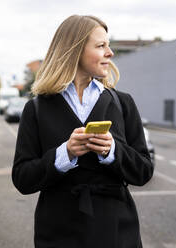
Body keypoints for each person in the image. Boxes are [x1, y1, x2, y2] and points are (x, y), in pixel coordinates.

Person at [12, 15, 154, 248]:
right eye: (101, 46)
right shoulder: (36, 108)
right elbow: (22, 179)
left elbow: (144, 171)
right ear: (75, 50)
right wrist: (64, 155)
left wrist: (112, 151)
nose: (110, 53)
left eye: (108, 45)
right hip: (57, 233)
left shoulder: (123, 103)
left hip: (117, 233)